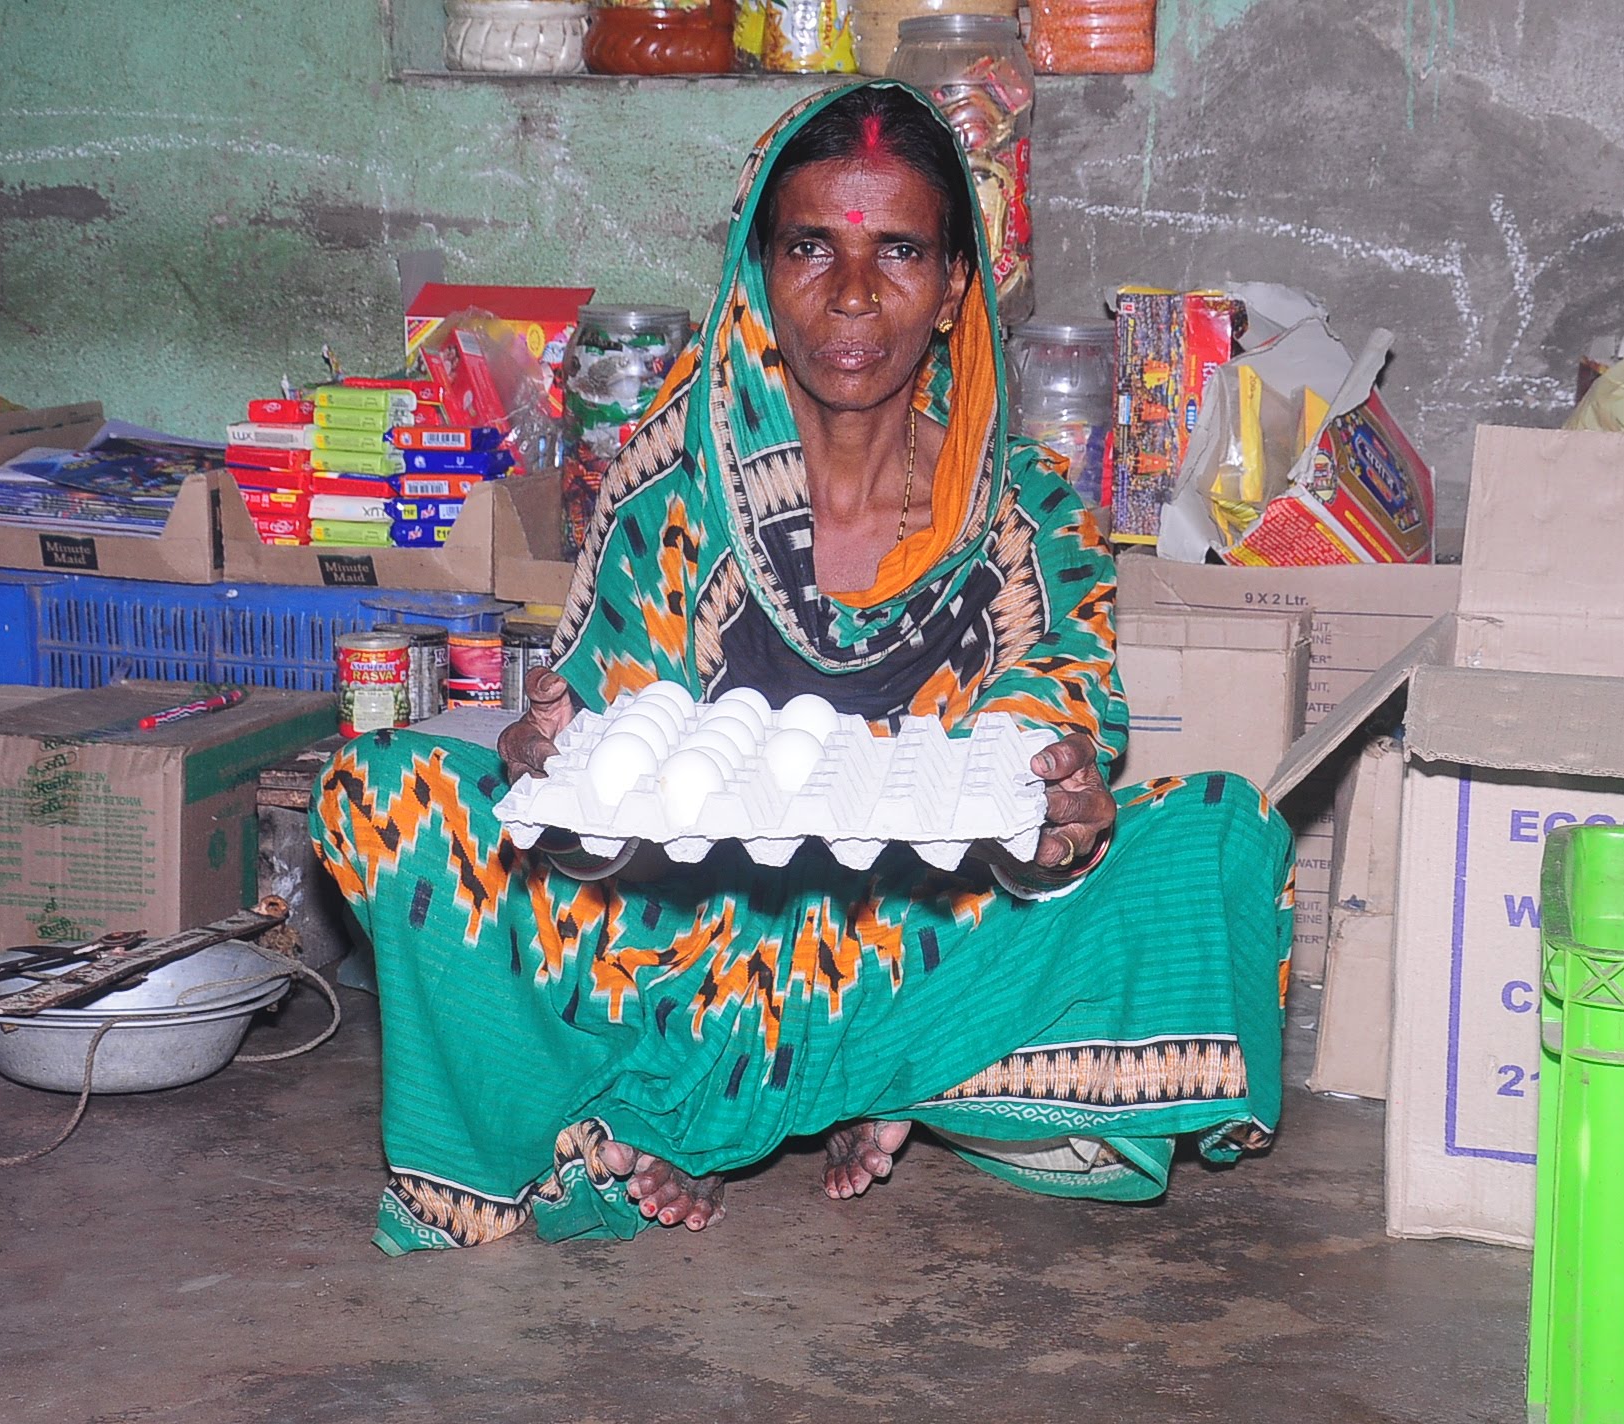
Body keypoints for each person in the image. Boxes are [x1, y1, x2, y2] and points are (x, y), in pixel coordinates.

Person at [312, 80, 1294, 1254]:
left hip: (905, 940)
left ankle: (695, 1106)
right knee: (384, 792)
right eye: (810, 246)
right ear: (757, 270)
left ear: (953, 288)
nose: (852, 295)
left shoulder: (1027, 509)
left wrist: (1063, 800)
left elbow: (1051, 715)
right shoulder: (672, 483)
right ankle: (870, 1090)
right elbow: (603, 758)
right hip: (671, 946)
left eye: (900, 252)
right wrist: (550, 762)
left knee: (1218, 837)